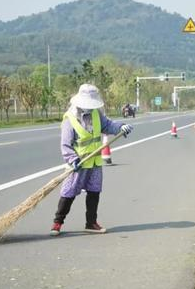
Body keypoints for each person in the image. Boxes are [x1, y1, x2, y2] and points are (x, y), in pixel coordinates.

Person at [50, 84, 133, 236]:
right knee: (69, 192)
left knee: (94, 192)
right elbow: (65, 145)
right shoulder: (70, 119)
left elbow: (108, 125)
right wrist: (72, 159)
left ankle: (91, 223)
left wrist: (121, 127)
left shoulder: (96, 114)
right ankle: (57, 223)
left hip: (94, 162)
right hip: (78, 164)